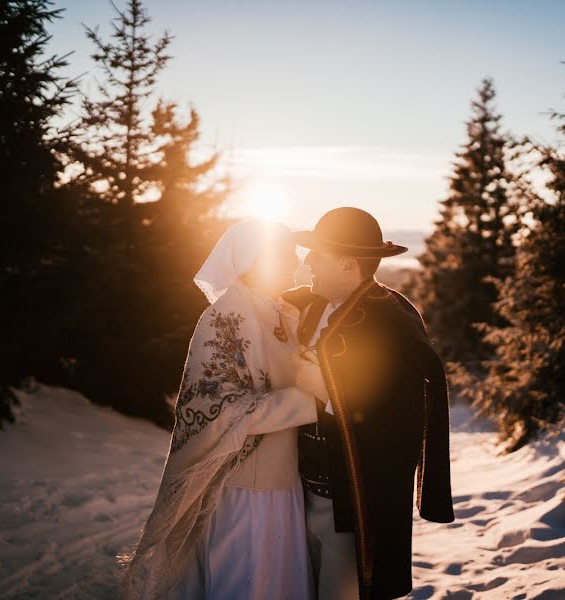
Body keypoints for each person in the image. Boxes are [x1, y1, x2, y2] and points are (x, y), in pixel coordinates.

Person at [119, 219, 321, 600]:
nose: (298, 263)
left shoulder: (285, 314)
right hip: (243, 492)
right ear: (256, 260)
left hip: (284, 488)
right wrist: (310, 403)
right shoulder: (224, 318)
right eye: (286, 254)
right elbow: (219, 409)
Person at [284, 207, 455, 600]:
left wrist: (328, 392)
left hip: (351, 505)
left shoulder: (390, 321)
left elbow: (401, 419)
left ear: (347, 264)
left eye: (318, 254)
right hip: (301, 494)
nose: (307, 262)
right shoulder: (311, 306)